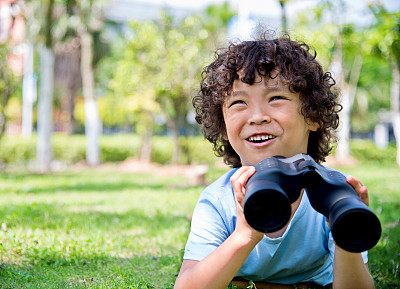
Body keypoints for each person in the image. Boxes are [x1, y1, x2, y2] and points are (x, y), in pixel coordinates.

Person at [174, 32, 375, 289]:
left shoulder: (331, 192)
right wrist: (244, 234)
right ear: (223, 125)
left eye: (276, 98)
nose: (258, 116)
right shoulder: (218, 200)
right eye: (238, 102)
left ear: (312, 116)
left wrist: (346, 237)